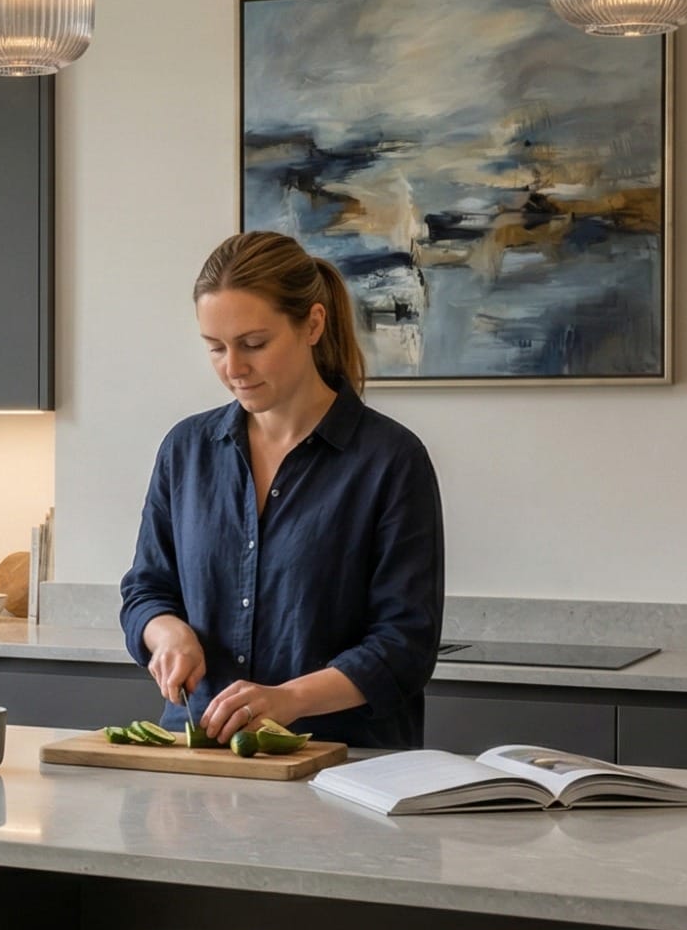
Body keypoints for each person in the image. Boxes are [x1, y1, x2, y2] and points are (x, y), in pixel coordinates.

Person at [118, 231, 444, 750]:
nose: (233, 368)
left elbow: (403, 646)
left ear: (312, 324)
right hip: (203, 759)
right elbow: (145, 590)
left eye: (253, 344)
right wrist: (168, 633)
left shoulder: (391, 460)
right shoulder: (186, 450)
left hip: (347, 768)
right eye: (215, 348)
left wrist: (288, 699)